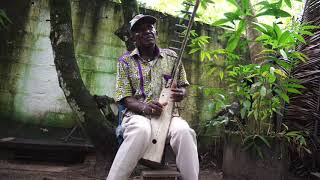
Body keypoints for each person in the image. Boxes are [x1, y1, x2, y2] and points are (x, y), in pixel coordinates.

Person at [106, 14, 199, 180]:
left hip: (169, 115)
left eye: (150, 28)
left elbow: (183, 85)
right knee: (141, 130)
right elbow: (125, 98)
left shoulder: (171, 57)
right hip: (137, 115)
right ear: (134, 37)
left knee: (184, 132)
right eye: (141, 30)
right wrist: (145, 107)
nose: (148, 31)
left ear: (156, 33)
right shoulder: (125, 61)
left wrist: (182, 93)